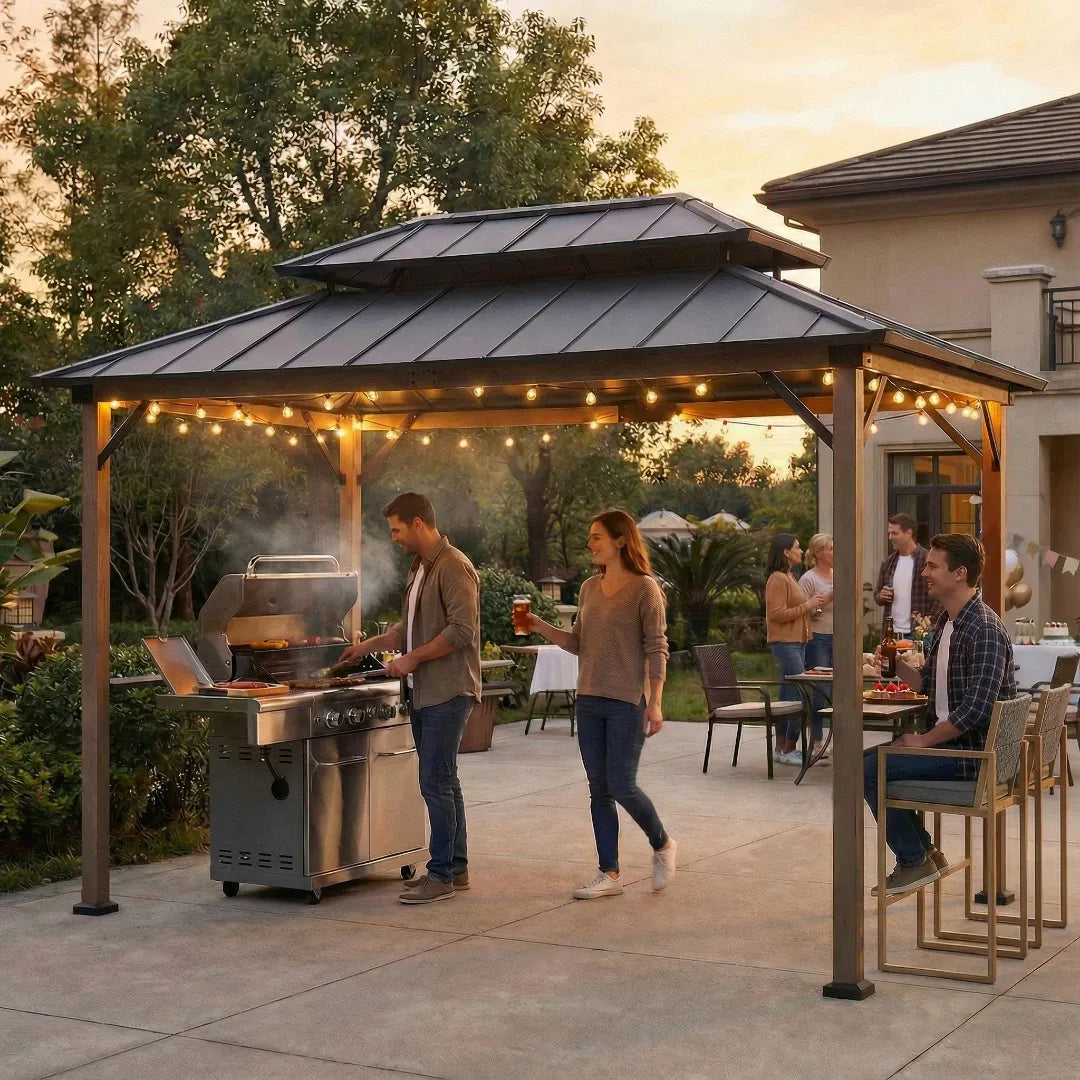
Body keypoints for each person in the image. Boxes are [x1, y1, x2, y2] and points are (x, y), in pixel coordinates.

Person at [338, 492, 481, 905]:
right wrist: (365, 648)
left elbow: (461, 632)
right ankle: (456, 867)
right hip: (426, 691)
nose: (394, 539)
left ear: (418, 523)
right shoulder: (421, 567)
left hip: (448, 689)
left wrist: (411, 660)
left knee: (434, 782)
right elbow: (409, 628)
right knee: (445, 781)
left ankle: (440, 877)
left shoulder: (454, 567)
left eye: (397, 530)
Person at [527, 509, 677, 900]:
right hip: (589, 699)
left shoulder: (646, 589)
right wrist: (538, 625)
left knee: (622, 784)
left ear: (620, 540)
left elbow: (657, 647)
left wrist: (656, 702)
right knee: (599, 789)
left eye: (597, 537)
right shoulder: (589, 588)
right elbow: (578, 642)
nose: (590, 543)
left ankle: (662, 844)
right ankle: (608, 873)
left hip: (628, 700)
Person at [863, 533, 1015, 896]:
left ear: (960, 573)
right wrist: (895, 665)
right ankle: (926, 853)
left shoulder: (984, 628)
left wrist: (924, 740)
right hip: (956, 748)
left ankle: (916, 859)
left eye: (932, 566)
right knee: (872, 762)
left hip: (975, 758)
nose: (924, 573)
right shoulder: (948, 621)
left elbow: (977, 710)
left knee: (867, 769)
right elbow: (928, 683)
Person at [765, 533, 827, 766]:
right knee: (800, 694)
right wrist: (807, 605)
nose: (801, 551)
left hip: (798, 643)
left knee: (788, 695)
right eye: (797, 547)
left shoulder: (789, 576)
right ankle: (787, 748)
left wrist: (808, 608)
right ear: (786, 552)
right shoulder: (778, 579)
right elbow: (775, 615)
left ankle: (782, 749)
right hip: (785, 644)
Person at [873, 512, 939, 637]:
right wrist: (881, 596)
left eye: (894, 533)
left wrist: (930, 622)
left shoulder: (926, 560)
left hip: (918, 632)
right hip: (891, 633)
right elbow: (877, 594)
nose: (890, 537)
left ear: (909, 533)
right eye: (889, 533)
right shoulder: (888, 563)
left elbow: (938, 595)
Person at [800, 533, 834, 758]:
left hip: (839, 637)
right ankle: (817, 742)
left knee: (839, 692)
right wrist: (830, 596)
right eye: (831, 548)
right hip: (819, 637)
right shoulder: (808, 579)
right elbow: (804, 611)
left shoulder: (838, 574)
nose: (834, 552)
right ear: (819, 552)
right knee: (820, 691)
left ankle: (836, 741)